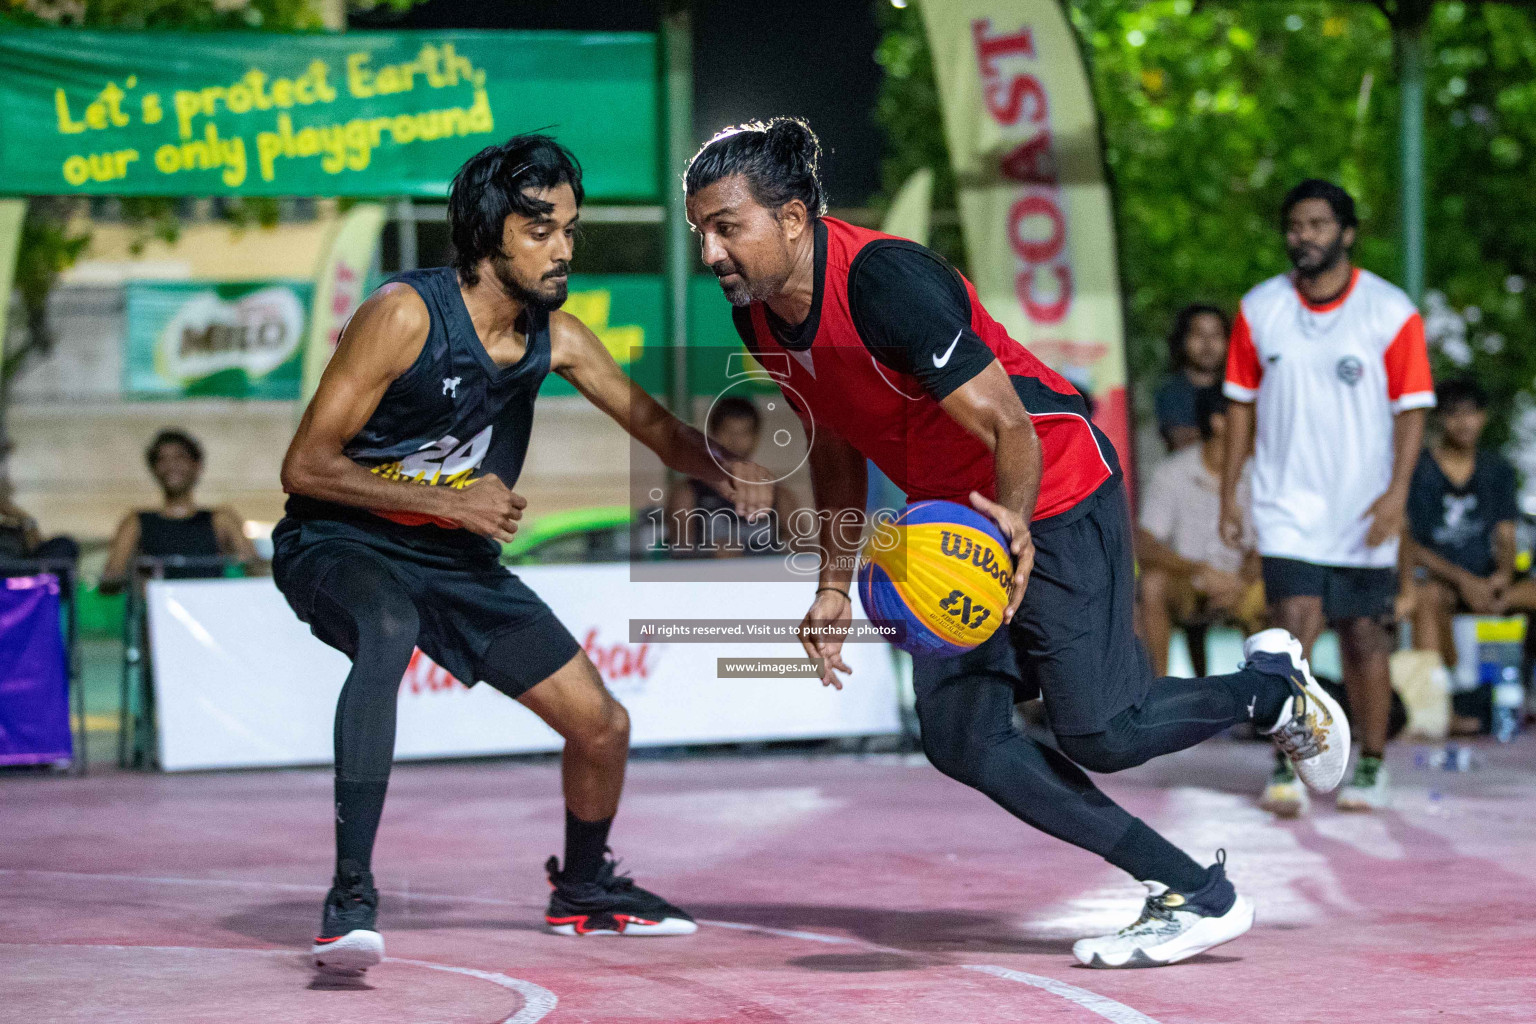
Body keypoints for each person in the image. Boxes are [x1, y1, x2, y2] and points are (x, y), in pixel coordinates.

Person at [684, 117, 1349, 969]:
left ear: (792, 219)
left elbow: (1010, 426)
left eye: (726, 227)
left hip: (1053, 487)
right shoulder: (760, 316)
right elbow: (840, 443)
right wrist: (832, 584)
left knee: (1102, 733)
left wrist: (1014, 526)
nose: (711, 252)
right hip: (950, 526)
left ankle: (1268, 690)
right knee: (960, 737)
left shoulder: (888, 282)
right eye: (701, 230)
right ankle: (1192, 890)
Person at [275, 134, 774, 972]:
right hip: (338, 539)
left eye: (570, 230)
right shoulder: (404, 315)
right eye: (541, 229)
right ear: (487, 233)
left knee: (603, 725)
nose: (563, 248)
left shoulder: (560, 338)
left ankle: (583, 891)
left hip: (453, 561)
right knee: (388, 629)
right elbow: (304, 466)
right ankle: (350, 894)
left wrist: (722, 465)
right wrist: (447, 499)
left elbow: (655, 429)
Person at [1220, 179, 1434, 816]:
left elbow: (1412, 412)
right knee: (1292, 634)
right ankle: (1287, 762)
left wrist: (1396, 495)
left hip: (1363, 508)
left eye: (1317, 224)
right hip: (1285, 505)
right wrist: (1231, 492)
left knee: (1366, 636)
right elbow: (1239, 406)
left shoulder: (1390, 312)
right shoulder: (1260, 309)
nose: (1302, 236)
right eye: (1294, 225)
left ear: (1345, 233)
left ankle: (1370, 763)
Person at [1407, 378, 1535, 726]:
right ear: (1440, 419)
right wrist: (1463, 581)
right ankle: (1436, 712)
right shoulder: (1419, 469)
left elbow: (1506, 534)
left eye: (1472, 413)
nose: (1464, 423)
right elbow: (1412, 544)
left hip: (1488, 579)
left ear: (1483, 417)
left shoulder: (1497, 469)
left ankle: (1528, 695)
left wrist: (1502, 578)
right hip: (1439, 579)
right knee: (1428, 599)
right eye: (1454, 414)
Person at [1137, 389, 1265, 677]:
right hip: (1191, 580)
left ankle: (1269, 697)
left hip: (1245, 580)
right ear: (1219, 422)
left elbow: (1272, 540)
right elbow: (1145, 545)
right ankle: (1159, 692)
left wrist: (1242, 580)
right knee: (1152, 585)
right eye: (1248, 415)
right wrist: (1198, 570)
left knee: (1279, 587)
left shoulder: (1260, 473)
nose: (1257, 422)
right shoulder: (1174, 472)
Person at [99, 429, 260, 594]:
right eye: (162, 459)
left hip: (210, 612)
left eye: (179, 457)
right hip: (157, 615)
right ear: (154, 469)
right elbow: (111, 577)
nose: (171, 465)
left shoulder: (222, 519)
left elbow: (255, 571)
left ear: (197, 465)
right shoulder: (135, 522)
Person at [665, 395, 800, 557]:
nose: (735, 441)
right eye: (728, 431)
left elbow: (804, 551)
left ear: (755, 437)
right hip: (709, 580)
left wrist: (785, 546)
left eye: (744, 433)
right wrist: (711, 553)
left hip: (765, 580)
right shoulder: (688, 493)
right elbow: (678, 556)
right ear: (713, 434)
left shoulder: (778, 493)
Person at [1155, 304, 1230, 452]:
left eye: (1216, 334)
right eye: (1198, 334)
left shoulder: (1238, 391)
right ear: (1183, 340)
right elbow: (1180, 443)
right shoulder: (1170, 393)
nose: (1208, 343)